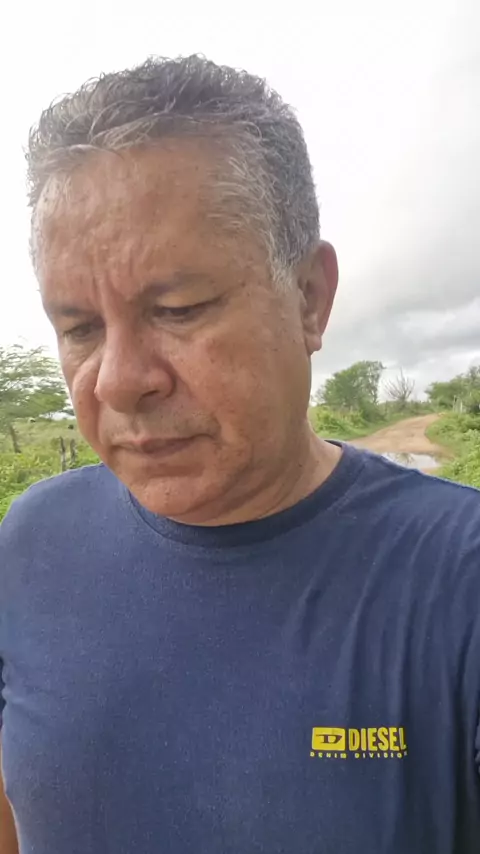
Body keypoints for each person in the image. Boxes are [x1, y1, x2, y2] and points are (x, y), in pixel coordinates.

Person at [0, 55, 479, 854]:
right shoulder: (31, 542)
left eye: (178, 308)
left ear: (309, 298)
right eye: (79, 328)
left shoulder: (457, 579)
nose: (118, 381)